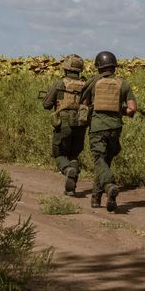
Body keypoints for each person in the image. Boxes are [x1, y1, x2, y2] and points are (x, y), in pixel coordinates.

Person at [79, 51, 137, 212]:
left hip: (97, 128)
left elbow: (83, 103)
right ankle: (96, 198)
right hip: (115, 128)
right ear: (114, 66)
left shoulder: (93, 82)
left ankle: (110, 185)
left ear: (98, 66)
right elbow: (132, 109)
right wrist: (120, 110)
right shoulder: (123, 84)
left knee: (99, 160)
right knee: (105, 161)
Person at [42, 54, 90, 196]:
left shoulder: (60, 83)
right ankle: (71, 185)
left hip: (63, 123)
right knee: (74, 154)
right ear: (80, 69)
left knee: (59, 154)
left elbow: (46, 104)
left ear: (65, 68)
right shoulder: (86, 85)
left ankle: (68, 170)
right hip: (81, 123)